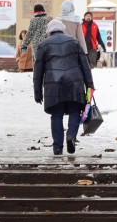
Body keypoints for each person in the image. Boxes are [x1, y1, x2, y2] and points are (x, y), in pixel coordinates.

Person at [33, 19, 95, 156]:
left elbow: (38, 71)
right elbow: (85, 66)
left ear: (49, 31)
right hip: (75, 82)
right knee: (75, 111)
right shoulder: (74, 41)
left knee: (56, 115)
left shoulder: (43, 45)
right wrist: (90, 86)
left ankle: (57, 148)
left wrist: (37, 92)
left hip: (53, 84)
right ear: (62, 29)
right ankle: (71, 135)